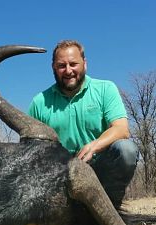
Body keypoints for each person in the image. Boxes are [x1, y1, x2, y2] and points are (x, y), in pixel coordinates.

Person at [28, 40, 138, 208]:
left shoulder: (105, 89)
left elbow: (121, 129)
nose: (68, 70)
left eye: (73, 64)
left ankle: (112, 208)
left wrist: (94, 146)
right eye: (61, 65)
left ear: (84, 64)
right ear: (53, 68)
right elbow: (29, 149)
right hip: (59, 176)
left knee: (126, 150)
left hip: (99, 168)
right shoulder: (39, 102)